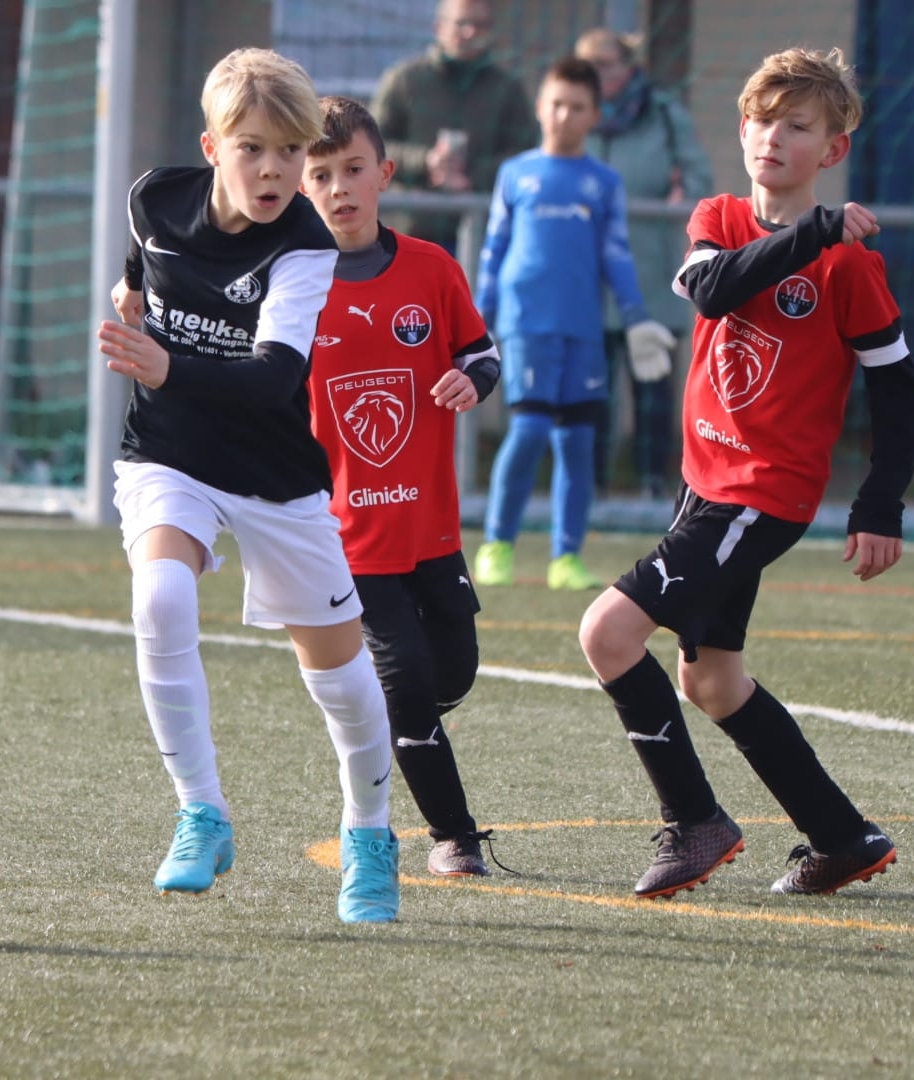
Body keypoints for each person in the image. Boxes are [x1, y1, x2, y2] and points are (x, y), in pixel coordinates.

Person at [576, 47, 914, 899]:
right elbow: (711, 291)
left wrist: (880, 504)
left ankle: (695, 822)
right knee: (711, 680)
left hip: (760, 495)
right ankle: (843, 837)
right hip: (705, 486)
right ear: (740, 129)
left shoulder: (850, 264)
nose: (774, 137)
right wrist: (812, 231)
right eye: (762, 120)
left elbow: (901, 394)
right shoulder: (721, 216)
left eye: (797, 126)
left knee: (607, 634)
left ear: (832, 150)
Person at [96, 48, 399, 923]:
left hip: (274, 475)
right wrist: (131, 296)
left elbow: (273, 378)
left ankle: (370, 834)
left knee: (341, 678)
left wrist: (167, 364)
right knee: (160, 597)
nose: (274, 171)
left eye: (290, 153)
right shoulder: (155, 196)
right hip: (168, 454)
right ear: (212, 146)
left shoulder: (304, 243)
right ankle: (201, 813)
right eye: (253, 149)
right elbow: (142, 264)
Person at [300, 95, 503, 877]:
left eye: (353, 169)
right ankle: (454, 837)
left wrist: (471, 380)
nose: (340, 188)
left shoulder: (432, 268)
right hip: (348, 538)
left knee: (454, 669)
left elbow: (482, 354)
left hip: (432, 528)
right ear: (303, 185)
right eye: (322, 175)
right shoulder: (293, 285)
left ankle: (392, 723)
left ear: (384, 173)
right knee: (410, 682)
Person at [472, 57, 676, 591]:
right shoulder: (516, 174)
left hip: (583, 330)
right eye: (557, 104)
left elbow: (617, 256)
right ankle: (496, 544)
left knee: (578, 441)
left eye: (577, 107)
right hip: (526, 325)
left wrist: (636, 319)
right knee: (530, 429)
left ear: (595, 115)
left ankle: (566, 556)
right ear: (541, 108)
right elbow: (494, 250)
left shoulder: (603, 182)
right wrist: (477, 320)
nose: (565, 115)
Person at [574, 28, 713, 499]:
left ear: (628, 66)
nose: (595, 75)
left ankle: (654, 482)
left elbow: (697, 175)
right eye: (587, 65)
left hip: (650, 269)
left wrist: (683, 194)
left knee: (653, 385)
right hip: (588, 275)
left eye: (605, 64)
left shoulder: (664, 115)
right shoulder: (575, 112)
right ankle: (591, 483)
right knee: (593, 388)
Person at [369, 0, 537, 253]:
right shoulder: (405, 80)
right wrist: (427, 162)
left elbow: (524, 155)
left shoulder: (507, 89)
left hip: (482, 234)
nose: (470, 32)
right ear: (439, 27)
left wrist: (472, 175)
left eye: (480, 25)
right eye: (462, 23)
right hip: (409, 229)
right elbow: (373, 148)